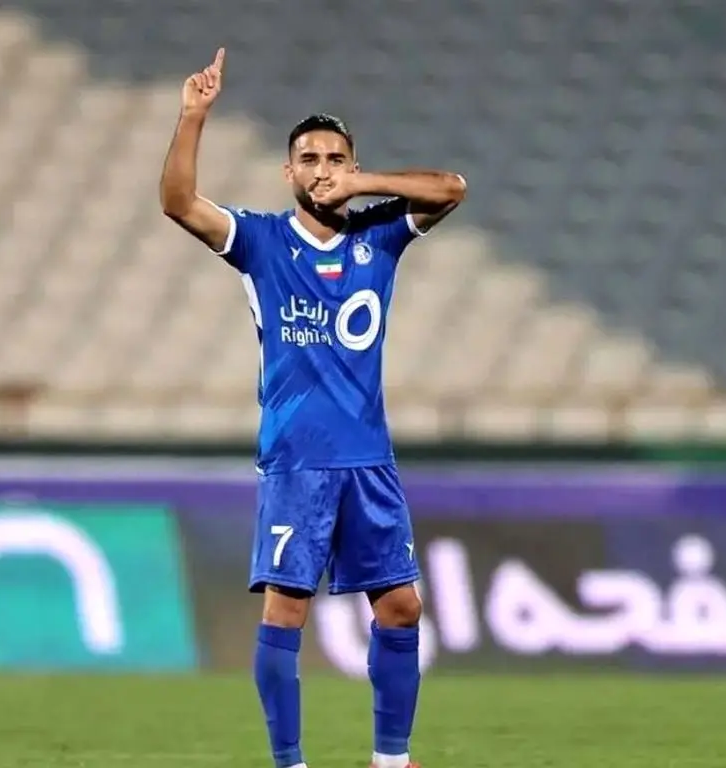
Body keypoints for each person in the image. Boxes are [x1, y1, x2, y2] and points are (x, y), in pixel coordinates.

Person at [159, 48, 466, 768]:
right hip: (298, 460)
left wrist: (367, 184)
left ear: (352, 166)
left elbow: (452, 188)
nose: (323, 169)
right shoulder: (262, 242)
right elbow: (178, 203)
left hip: (369, 459)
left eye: (336, 158)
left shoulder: (380, 233)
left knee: (402, 608)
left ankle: (391, 761)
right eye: (309, 159)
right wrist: (193, 116)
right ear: (288, 173)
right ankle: (289, 763)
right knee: (285, 612)